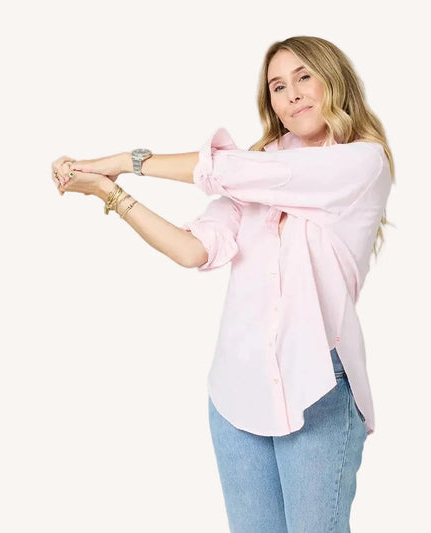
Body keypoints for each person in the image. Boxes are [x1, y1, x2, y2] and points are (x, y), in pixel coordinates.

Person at [51, 35, 395, 533]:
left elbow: (238, 171)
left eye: (304, 77)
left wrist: (125, 161)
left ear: (333, 80)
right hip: (237, 392)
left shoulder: (360, 162)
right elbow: (192, 250)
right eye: (278, 86)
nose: (293, 94)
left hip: (316, 386)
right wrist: (109, 192)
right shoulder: (251, 175)